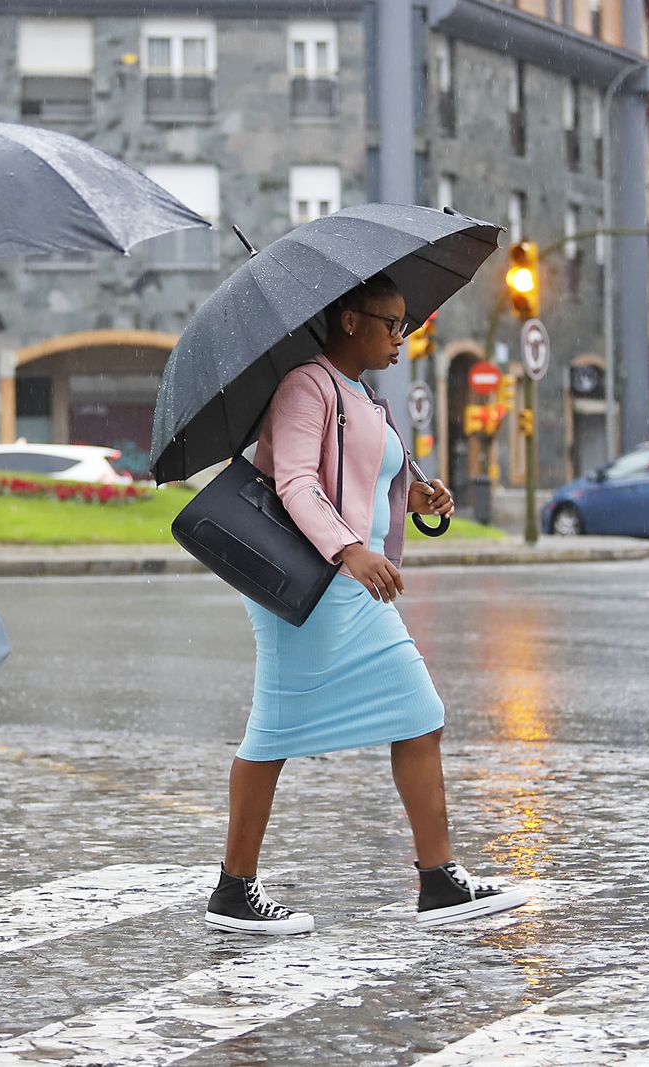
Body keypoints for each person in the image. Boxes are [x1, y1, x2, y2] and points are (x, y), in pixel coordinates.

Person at [204, 272, 529, 935]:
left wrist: (415, 497)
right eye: (392, 324)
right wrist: (351, 549)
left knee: (407, 712)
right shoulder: (305, 384)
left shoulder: (361, 395)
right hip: (315, 581)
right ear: (350, 320)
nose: (402, 340)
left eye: (407, 327)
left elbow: (350, 483)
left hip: (344, 583)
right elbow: (295, 480)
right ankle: (237, 889)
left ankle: (434, 879)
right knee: (281, 728)